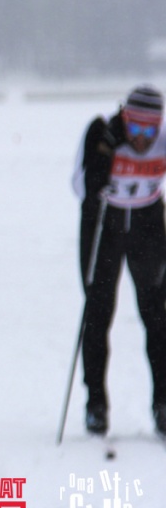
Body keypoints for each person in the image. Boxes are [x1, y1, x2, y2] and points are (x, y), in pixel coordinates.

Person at [71, 84, 166, 438]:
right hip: (104, 225)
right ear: (125, 118)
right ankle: (95, 405)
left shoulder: (162, 140)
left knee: (157, 317)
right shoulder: (101, 132)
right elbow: (80, 186)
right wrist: (103, 156)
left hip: (147, 226)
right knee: (97, 313)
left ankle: (163, 404)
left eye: (149, 130)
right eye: (135, 127)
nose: (142, 138)